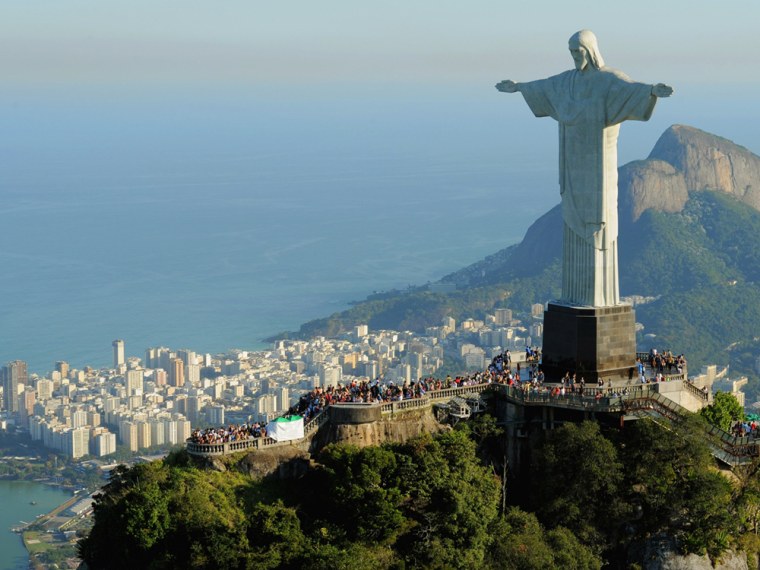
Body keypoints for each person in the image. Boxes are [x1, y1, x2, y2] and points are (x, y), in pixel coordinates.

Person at [496, 30, 672, 307]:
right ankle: (576, 296)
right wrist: (519, 86)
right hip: (572, 162)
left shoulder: (608, 80)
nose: (575, 57)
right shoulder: (567, 82)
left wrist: (652, 92)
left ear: (590, 50)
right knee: (573, 217)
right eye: (571, 52)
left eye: (578, 51)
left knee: (599, 218)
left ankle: (599, 298)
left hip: (598, 163)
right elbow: (543, 86)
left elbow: (631, 89)